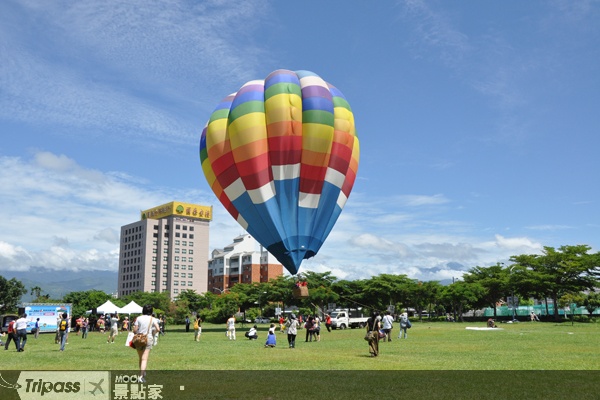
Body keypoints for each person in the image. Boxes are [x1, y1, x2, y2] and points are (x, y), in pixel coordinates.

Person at [133, 305, 161, 383]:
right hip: (148, 338)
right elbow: (158, 329)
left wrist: (137, 332)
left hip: (139, 339)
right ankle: (141, 376)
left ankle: (142, 372)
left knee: (140, 357)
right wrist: (153, 332)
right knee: (144, 359)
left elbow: (135, 329)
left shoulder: (139, 318)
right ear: (151, 311)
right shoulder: (153, 319)